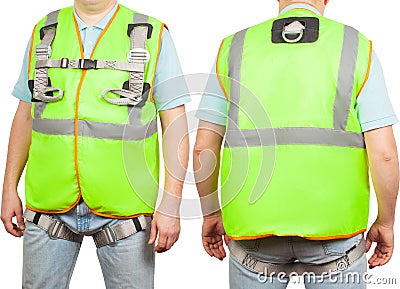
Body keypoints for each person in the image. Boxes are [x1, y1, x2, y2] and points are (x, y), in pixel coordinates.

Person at [194, 0, 399, 288]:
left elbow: (203, 147)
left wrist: (211, 212)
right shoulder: (356, 47)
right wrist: (386, 221)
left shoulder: (234, 47)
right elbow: (385, 154)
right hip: (334, 231)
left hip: (253, 229)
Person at [1, 0, 190, 288]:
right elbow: (25, 115)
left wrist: (171, 203)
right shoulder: (44, 31)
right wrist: (8, 188)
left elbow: (175, 124)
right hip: (47, 202)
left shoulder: (153, 34)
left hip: (126, 207)